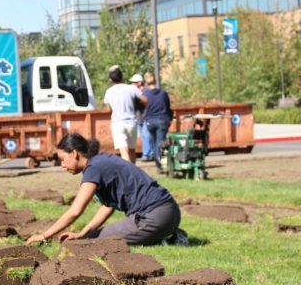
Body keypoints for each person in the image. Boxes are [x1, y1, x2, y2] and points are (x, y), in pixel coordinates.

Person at [26, 133, 185, 246]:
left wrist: (44, 235)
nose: (62, 165)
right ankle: (168, 236)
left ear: (74, 153)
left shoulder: (93, 167)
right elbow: (107, 206)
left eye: (62, 159)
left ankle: (168, 237)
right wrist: (83, 233)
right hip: (170, 213)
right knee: (88, 237)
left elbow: (75, 211)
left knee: (92, 242)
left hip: (153, 217)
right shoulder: (101, 161)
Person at [103, 65, 147, 163]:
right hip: (131, 122)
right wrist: (142, 107)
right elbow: (145, 99)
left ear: (111, 80)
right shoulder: (131, 89)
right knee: (132, 150)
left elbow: (108, 109)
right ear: (122, 77)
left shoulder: (109, 92)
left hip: (118, 123)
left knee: (124, 151)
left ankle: (127, 174)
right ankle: (133, 171)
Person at [141, 73, 173, 172]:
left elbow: (142, 109)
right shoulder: (163, 93)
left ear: (146, 82)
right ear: (156, 80)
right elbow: (168, 107)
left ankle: (158, 164)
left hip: (150, 121)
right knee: (160, 143)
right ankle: (161, 165)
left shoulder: (144, 94)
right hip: (162, 120)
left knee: (154, 143)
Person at [132, 73, 153, 161]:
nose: (132, 84)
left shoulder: (145, 91)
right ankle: (150, 154)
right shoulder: (134, 91)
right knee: (144, 135)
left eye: (134, 82)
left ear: (139, 83)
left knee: (146, 135)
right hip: (139, 117)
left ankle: (146, 154)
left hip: (146, 116)